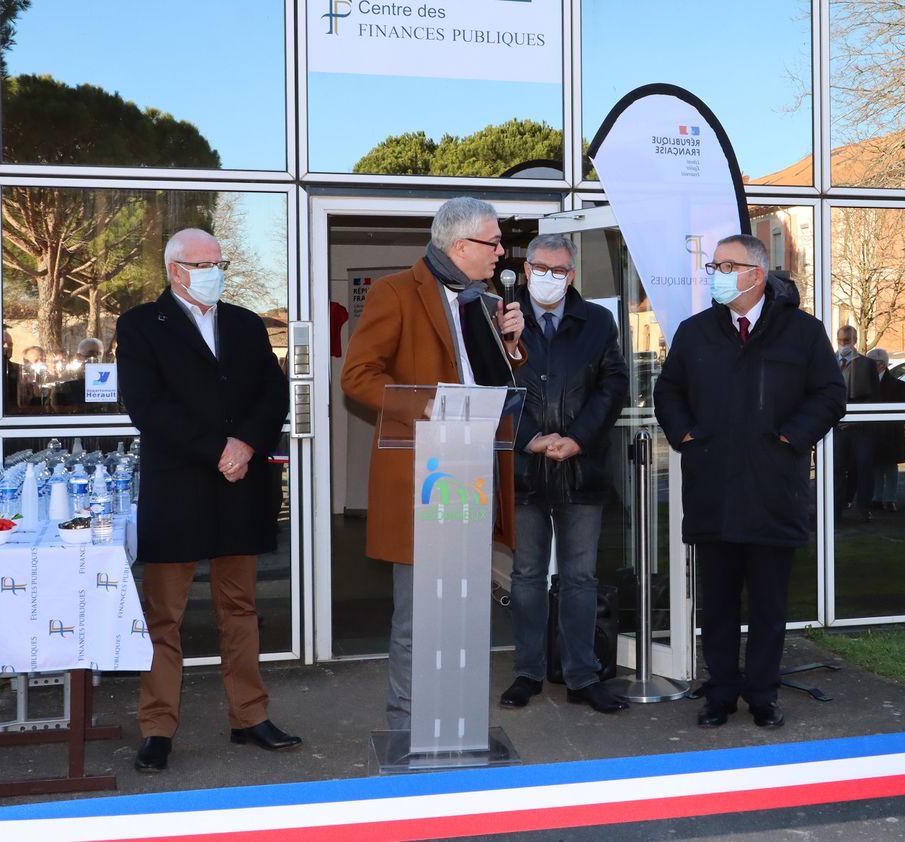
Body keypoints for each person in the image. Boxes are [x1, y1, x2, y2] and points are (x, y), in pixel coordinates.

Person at [341, 197, 526, 732]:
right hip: (424, 472)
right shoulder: (396, 291)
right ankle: (407, 723)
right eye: (494, 242)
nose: (501, 253)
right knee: (418, 613)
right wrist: (425, 405)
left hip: (475, 467)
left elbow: (496, 382)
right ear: (461, 245)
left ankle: (458, 719)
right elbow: (358, 376)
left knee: (464, 608)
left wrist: (512, 346)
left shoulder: (486, 302)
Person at [116, 228, 297, 773]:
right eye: (205, 264)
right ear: (176, 270)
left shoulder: (245, 323)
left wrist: (246, 444)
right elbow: (146, 404)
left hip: (240, 484)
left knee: (240, 609)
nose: (216, 271)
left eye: (220, 263)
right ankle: (157, 729)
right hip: (178, 486)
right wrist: (216, 449)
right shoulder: (141, 324)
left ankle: (250, 716)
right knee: (163, 616)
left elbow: (274, 392)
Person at [653, 234, 843, 730]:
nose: (715, 274)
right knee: (716, 604)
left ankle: (762, 694)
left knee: (768, 605)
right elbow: (668, 390)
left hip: (771, 490)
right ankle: (720, 693)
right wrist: (686, 434)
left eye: (725, 266)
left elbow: (830, 394)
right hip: (713, 489)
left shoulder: (802, 332)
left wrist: (789, 438)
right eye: (714, 266)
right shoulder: (696, 332)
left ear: (756, 275)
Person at [498, 234, 629, 714]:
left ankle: (582, 675)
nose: (549, 277)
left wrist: (577, 438)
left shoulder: (597, 321)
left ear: (571, 274)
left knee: (579, 578)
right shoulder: (502, 320)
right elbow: (493, 385)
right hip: (524, 470)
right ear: (526, 270)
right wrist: (532, 438)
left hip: (581, 469)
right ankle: (528, 672)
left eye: (559, 270)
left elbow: (613, 385)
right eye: (541, 268)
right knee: (527, 576)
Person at [835, 325, 878, 522]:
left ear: (854, 341)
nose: (843, 344)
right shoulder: (829, 362)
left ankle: (864, 508)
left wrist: (855, 419)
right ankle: (835, 508)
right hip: (835, 427)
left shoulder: (866, 364)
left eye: (847, 341)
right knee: (836, 468)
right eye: (840, 340)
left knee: (864, 466)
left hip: (860, 427)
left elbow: (874, 397)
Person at [867, 348, 905, 511]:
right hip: (873, 430)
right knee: (875, 465)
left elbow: (902, 409)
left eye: (872, 363)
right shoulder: (866, 383)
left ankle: (890, 498)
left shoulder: (897, 385)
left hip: (891, 431)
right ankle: (876, 498)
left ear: (882, 364)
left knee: (890, 466)